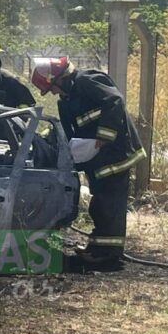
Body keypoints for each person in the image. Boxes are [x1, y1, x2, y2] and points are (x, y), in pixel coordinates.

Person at [30, 56, 146, 270]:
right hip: (98, 158)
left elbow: (114, 100)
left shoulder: (87, 80)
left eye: (52, 87)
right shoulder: (66, 100)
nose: (53, 93)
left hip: (116, 153)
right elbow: (67, 131)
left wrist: (105, 134)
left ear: (60, 78)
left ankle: (109, 256)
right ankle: (98, 248)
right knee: (100, 204)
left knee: (110, 204)